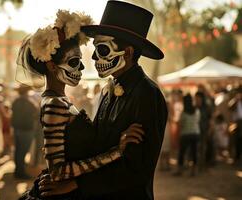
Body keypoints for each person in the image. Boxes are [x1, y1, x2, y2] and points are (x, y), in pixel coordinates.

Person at [41, 1, 168, 199]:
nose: (92, 58)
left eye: (102, 49)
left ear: (127, 53)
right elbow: (98, 146)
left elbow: (137, 168)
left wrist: (75, 184)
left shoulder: (147, 94)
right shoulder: (107, 90)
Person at [17, 9, 145, 199]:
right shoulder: (54, 104)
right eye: (75, 61)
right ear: (52, 67)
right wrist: (116, 152)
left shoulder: (59, 101)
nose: (83, 67)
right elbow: (58, 172)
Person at [12, 84, 38, 179]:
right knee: (22, 151)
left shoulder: (16, 101)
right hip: (26, 130)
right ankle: (20, 171)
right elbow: (35, 113)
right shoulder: (29, 102)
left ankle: (18, 170)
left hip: (17, 129)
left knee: (18, 151)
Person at [174, 94, 200, 176]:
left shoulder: (184, 113)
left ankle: (180, 170)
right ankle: (194, 171)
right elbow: (198, 121)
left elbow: (181, 124)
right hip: (195, 133)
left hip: (185, 134)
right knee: (194, 152)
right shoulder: (197, 111)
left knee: (182, 152)